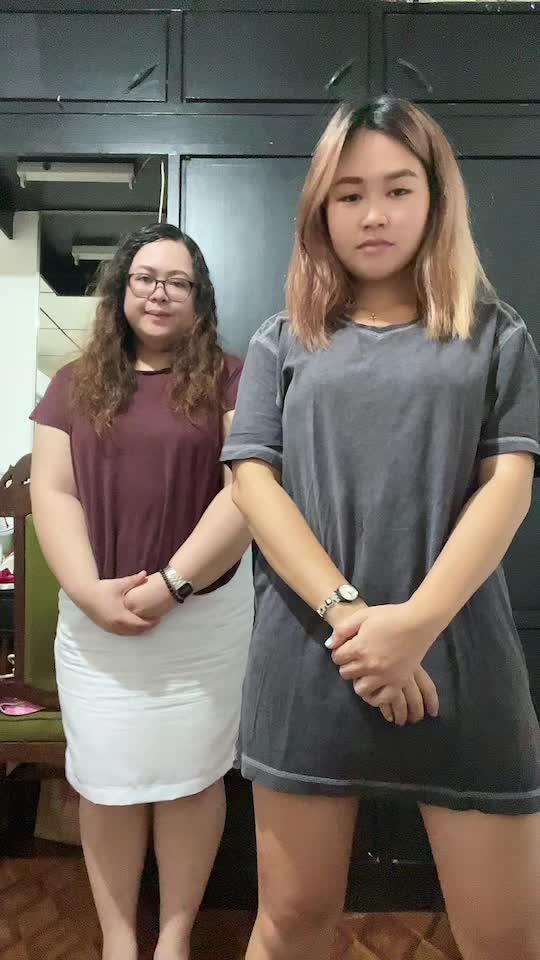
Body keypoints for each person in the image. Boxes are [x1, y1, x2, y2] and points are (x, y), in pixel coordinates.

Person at [222, 96, 540, 960]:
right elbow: (253, 482)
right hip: (309, 658)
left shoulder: (495, 335)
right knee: (291, 920)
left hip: (461, 659)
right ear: (320, 209)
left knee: (505, 938)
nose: (374, 214)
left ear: (436, 199)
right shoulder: (283, 341)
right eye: (350, 193)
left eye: (398, 189)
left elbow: (508, 488)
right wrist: (358, 623)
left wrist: (416, 627)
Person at [30, 223, 253, 960]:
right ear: (122, 288)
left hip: (203, 618)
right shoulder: (73, 383)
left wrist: (173, 585)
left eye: (178, 281)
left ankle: (176, 938)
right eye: (145, 278)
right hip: (96, 622)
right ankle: (119, 940)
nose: (160, 293)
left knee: (193, 779)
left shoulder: (232, 378)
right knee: (106, 781)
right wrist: (89, 593)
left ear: (200, 297)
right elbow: (53, 493)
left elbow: (248, 492)